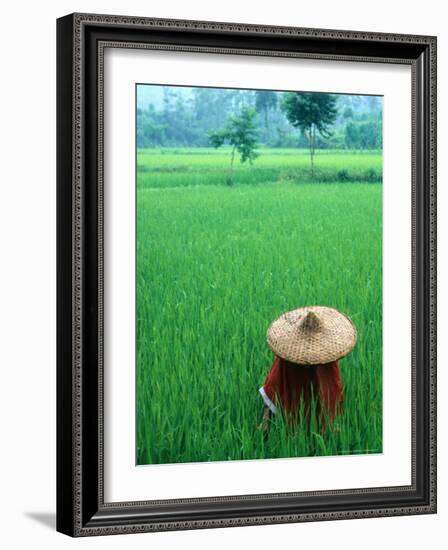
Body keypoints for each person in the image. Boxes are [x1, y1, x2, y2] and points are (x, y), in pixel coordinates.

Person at [259, 306, 357, 435]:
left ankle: (325, 424)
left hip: (319, 372)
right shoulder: (286, 360)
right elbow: (274, 386)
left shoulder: (327, 363)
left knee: (323, 388)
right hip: (293, 373)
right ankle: (270, 418)